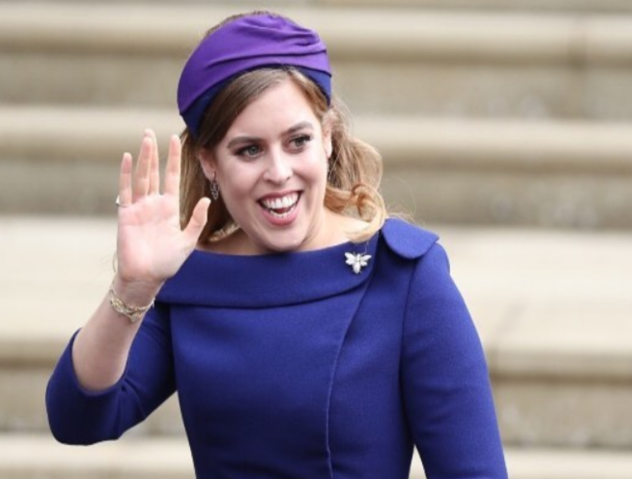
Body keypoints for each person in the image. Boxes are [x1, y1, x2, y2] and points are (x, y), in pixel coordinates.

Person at [46, 10, 508, 479]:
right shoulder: (190, 280)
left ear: (327, 138)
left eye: (297, 141)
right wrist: (131, 289)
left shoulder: (403, 275)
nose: (279, 173)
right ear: (209, 162)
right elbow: (77, 418)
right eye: (249, 150)